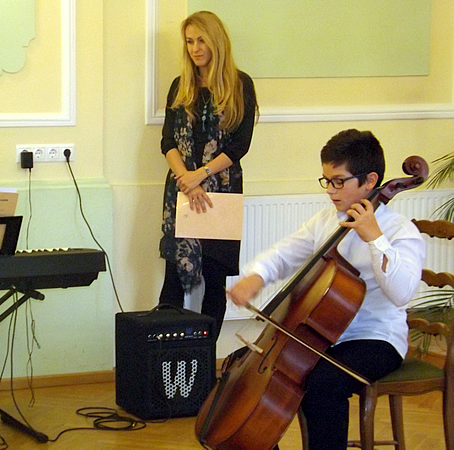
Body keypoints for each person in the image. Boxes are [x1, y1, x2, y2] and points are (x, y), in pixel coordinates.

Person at [227, 129, 425, 449]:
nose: (330, 190)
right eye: (327, 181)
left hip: (375, 338)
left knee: (322, 383)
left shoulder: (399, 230)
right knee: (241, 364)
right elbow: (285, 253)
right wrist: (256, 276)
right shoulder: (326, 221)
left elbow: (402, 293)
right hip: (323, 336)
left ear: (370, 180)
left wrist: (375, 239)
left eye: (339, 181)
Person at [158, 11, 258, 340]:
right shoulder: (180, 86)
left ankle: (204, 357)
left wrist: (199, 175)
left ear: (217, 42)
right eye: (189, 42)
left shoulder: (240, 84)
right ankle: (168, 356)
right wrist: (187, 180)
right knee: (174, 279)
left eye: (201, 40)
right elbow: (167, 142)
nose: (195, 48)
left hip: (221, 193)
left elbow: (239, 145)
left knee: (215, 280)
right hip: (182, 192)